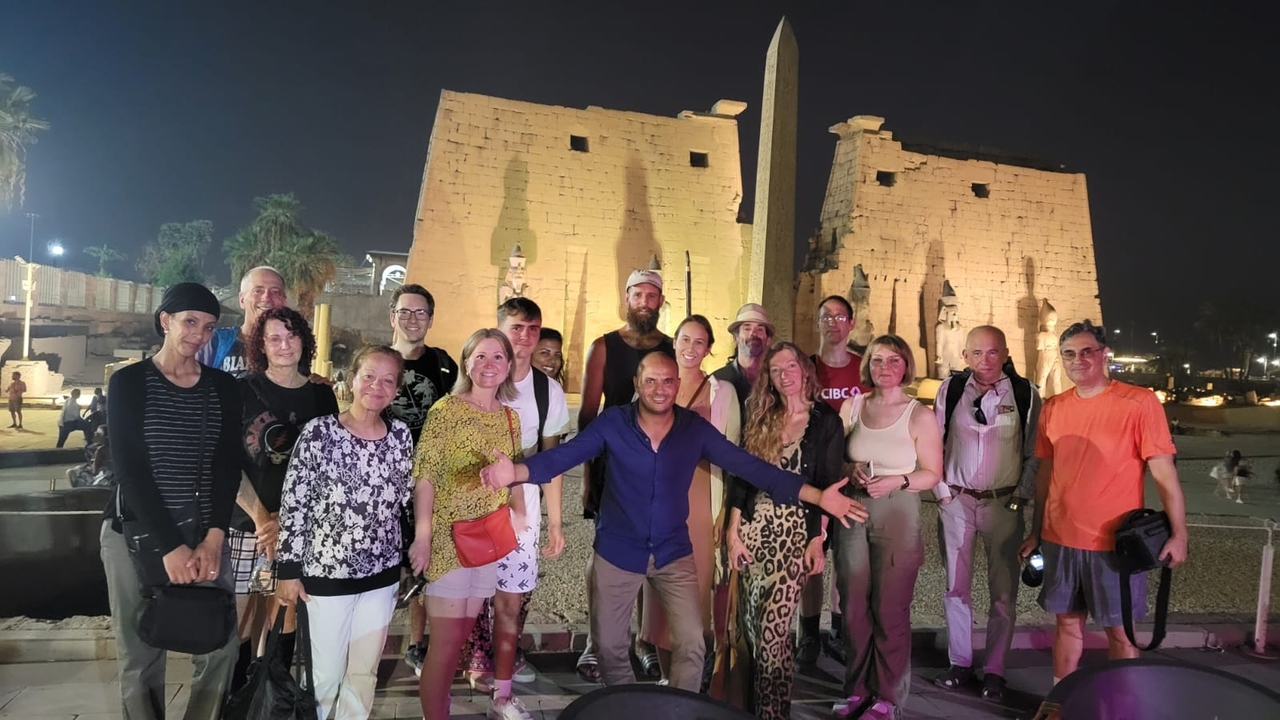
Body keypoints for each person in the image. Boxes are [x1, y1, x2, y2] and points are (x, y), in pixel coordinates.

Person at [480, 351, 869, 692]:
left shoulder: (692, 429)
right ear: (637, 384)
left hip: (672, 552)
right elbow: (563, 457)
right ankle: (629, 707)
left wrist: (818, 497)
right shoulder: (614, 423)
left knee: (692, 644)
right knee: (610, 648)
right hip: (618, 551)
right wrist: (514, 472)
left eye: (668, 381)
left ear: (677, 384)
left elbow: (753, 468)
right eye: (651, 381)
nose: (660, 389)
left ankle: (674, 709)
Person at [99, 282, 242, 720]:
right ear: (166, 321)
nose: (199, 334)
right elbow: (131, 471)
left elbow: (227, 466)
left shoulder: (222, 387)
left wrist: (213, 539)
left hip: (203, 534)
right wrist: (170, 547)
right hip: (137, 535)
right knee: (141, 654)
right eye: (190, 322)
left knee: (220, 645)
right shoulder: (129, 382)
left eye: (209, 326)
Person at [1019, 320, 1189, 686]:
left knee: (1120, 632)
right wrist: (1036, 532)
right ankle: (1059, 701)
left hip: (1114, 543)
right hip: (1060, 538)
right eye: (1069, 354)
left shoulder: (1139, 403)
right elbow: (1046, 475)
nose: (1077, 360)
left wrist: (1179, 534)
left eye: (1086, 352)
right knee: (1066, 623)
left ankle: (1122, 701)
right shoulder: (1053, 407)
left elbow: (1164, 474)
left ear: (1103, 354)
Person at [275, 345, 413, 720]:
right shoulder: (320, 433)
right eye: (368, 376)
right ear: (351, 379)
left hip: (381, 576)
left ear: (397, 389)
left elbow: (404, 501)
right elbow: (295, 501)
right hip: (326, 576)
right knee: (324, 675)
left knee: (363, 674)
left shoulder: (400, 436)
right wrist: (287, 569)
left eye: (388, 380)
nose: (376, 386)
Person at [457, 300, 570, 707]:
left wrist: (555, 522)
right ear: (499, 327)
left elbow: (553, 462)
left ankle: (502, 677)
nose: (524, 337)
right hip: (473, 507)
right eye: (516, 327)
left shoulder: (547, 390)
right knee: (472, 591)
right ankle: (475, 658)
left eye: (532, 329)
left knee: (512, 595)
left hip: (522, 513)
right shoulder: (476, 381)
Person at [723, 343, 843, 719]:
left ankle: (775, 713)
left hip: (794, 534)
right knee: (756, 633)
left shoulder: (826, 421)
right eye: (775, 370)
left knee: (775, 633)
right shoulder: (762, 415)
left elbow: (827, 486)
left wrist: (817, 539)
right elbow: (742, 476)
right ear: (769, 379)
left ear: (804, 370)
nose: (784, 374)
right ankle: (760, 709)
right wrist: (733, 529)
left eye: (791, 365)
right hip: (756, 532)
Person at [408, 329, 522, 720]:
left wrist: (520, 517)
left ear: (509, 366)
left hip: (486, 540)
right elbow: (425, 477)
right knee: (446, 643)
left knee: (458, 643)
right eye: (480, 357)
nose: (488, 366)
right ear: (466, 362)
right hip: (447, 539)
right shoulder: (446, 410)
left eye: (497, 358)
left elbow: (513, 473)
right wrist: (422, 539)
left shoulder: (510, 417)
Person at [228, 307, 339, 693]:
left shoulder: (323, 396)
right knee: (240, 619)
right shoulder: (240, 391)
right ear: (261, 345)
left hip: (298, 527)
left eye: (291, 336)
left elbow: (329, 465)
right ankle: (238, 700)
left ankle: (272, 698)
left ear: (304, 341)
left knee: (283, 612)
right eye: (274, 338)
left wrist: (287, 520)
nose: (284, 345)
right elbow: (227, 463)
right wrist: (263, 518)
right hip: (247, 524)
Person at [832, 335, 943, 720]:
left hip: (898, 512)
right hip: (853, 510)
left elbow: (933, 473)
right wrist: (849, 469)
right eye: (877, 361)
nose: (884, 368)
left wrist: (898, 480)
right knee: (854, 607)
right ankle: (857, 688)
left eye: (893, 361)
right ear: (868, 366)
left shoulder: (919, 415)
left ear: (905, 365)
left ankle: (888, 696)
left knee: (890, 609)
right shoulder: (853, 406)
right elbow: (834, 458)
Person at [932, 326, 1040, 702]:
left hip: (1002, 504)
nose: (985, 361)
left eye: (993, 353)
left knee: (1003, 593)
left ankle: (995, 670)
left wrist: (1021, 497)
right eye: (977, 353)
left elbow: (1034, 452)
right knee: (955, 588)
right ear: (965, 356)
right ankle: (959, 663)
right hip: (957, 501)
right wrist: (941, 491)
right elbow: (934, 440)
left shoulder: (1025, 394)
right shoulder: (951, 390)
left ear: (1006, 353)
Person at [575, 268, 673, 681]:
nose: (645, 303)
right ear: (627, 298)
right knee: (607, 558)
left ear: (660, 302)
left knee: (654, 557)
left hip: (658, 468)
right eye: (639, 295)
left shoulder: (671, 347)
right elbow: (586, 415)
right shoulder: (603, 347)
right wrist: (585, 477)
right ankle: (597, 642)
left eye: (653, 296)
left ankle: (645, 638)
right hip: (612, 466)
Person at [639, 315, 739, 686]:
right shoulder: (654, 386)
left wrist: (726, 513)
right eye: (685, 339)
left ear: (709, 348)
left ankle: (689, 681)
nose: (691, 348)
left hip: (700, 501)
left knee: (693, 594)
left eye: (699, 342)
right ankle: (668, 680)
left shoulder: (722, 394)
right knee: (659, 594)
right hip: (657, 502)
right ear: (674, 342)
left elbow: (733, 459)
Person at [386, 283, 461, 675]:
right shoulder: (380, 361)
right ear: (392, 317)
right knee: (385, 562)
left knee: (425, 560)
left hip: (432, 478)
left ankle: (417, 643)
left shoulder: (444, 364)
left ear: (430, 320)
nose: (412, 319)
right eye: (405, 312)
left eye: (421, 313)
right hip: (385, 478)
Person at [799, 294, 872, 666]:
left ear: (851, 322)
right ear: (818, 323)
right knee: (811, 558)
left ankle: (839, 631)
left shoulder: (864, 371)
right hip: (813, 479)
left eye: (839, 316)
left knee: (847, 560)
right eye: (825, 316)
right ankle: (808, 633)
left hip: (850, 479)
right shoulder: (806, 368)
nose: (832, 322)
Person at [197, 266, 288, 377]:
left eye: (275, 291)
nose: (267, 297)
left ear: (284, 301)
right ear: (241, 300)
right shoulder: (215, 341)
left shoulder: (291, 346)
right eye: (258, 291)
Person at [713, 303, 774, 423]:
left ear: (768, 340)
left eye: (760, 329)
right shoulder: (718, 380)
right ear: (735, 338)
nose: (753, 334)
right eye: (747, 328)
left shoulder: (777, 380)